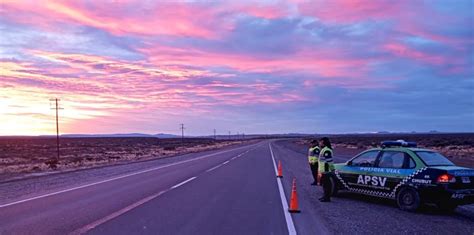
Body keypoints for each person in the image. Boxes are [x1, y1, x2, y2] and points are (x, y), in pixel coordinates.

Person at [318, 137, 334, 202]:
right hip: (323, 170)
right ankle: (325, 196)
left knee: (327, 185)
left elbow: (329, 161)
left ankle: (327, 198)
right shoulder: (324, 149)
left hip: (326, 170)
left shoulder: (327, 150)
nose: (319, 143)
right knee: (324, 185)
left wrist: (332, 169)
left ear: (324, 142)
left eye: (321, 142)